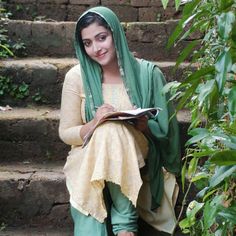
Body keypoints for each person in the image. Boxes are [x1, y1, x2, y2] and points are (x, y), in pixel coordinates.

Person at [59, 6, 181, 236]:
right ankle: (125, 227)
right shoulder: (76, 77)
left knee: (113, 130)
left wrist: (146, 128)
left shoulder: (148, 74)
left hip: (136, 150)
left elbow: (167, 129)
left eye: (101, 38)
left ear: (115, 34)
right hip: (88, 153)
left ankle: (123, 224)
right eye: (87, 43)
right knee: (107, 130)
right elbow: (66, 133)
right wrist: (95, 122)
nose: (96, 49)